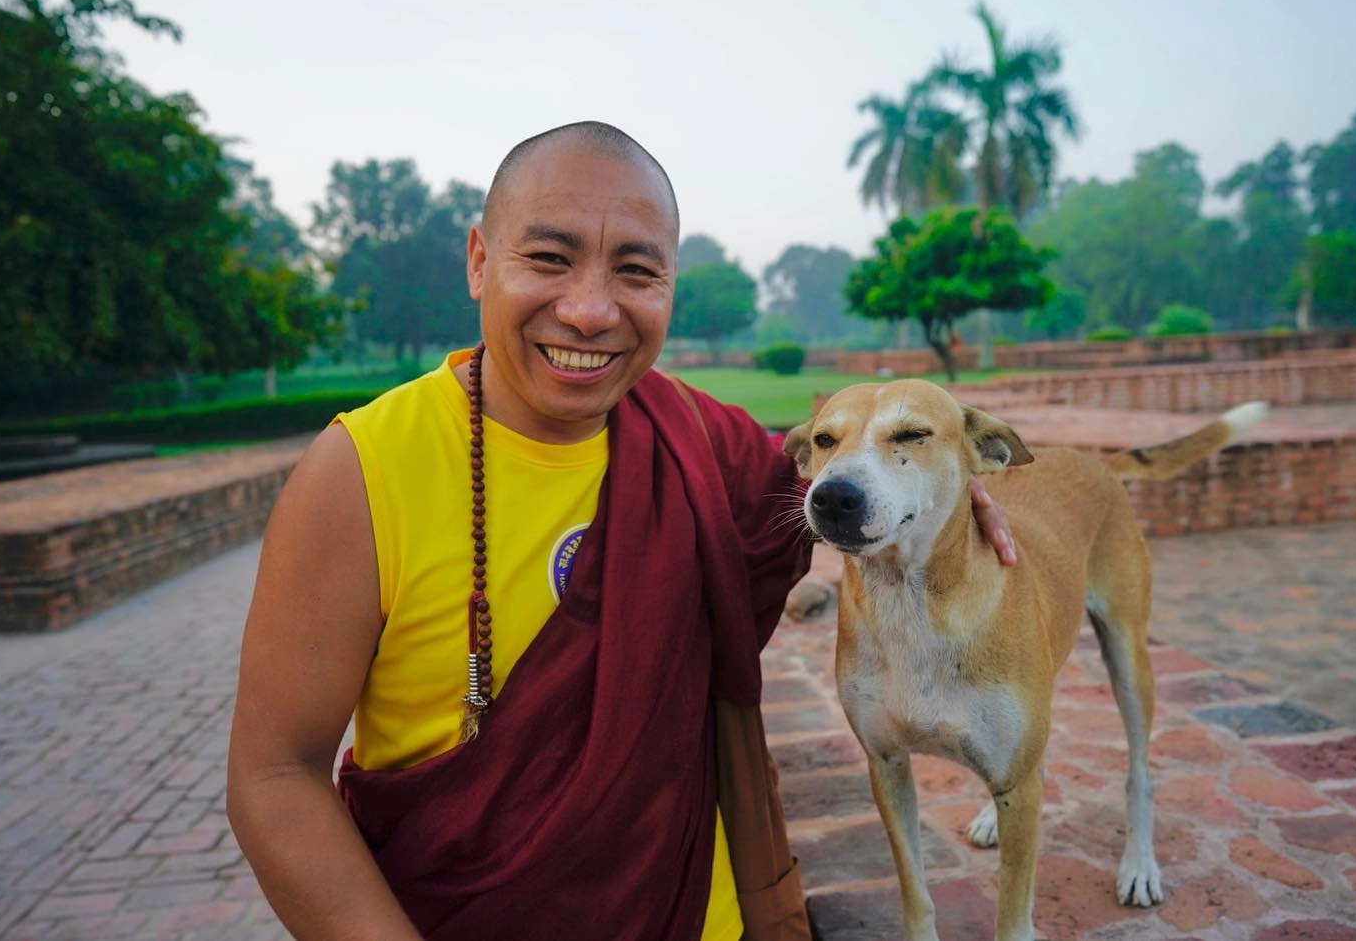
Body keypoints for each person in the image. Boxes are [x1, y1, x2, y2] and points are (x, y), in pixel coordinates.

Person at [226, 121, 1014, 941]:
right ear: (479, 261)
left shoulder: (701, 444)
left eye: (636, 271)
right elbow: (276, 775)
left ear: (670, 284)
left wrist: (945, 496)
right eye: (548, 258)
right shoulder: (360, 473)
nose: (590, 311)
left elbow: (835, 493)